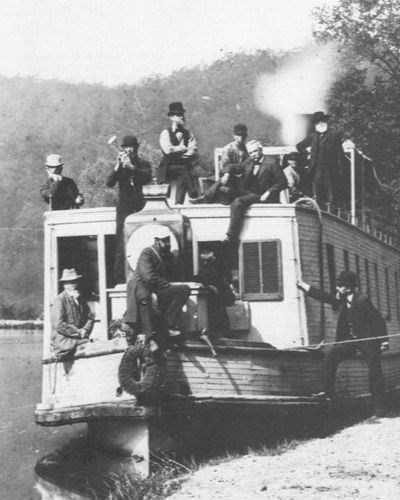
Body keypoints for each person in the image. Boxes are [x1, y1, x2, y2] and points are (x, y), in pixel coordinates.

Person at [297, 270, 388, 417]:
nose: (337, 289)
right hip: (350, 340)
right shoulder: (342, 300)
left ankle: (379, 408)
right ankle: (328, 392)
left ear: (349, 288)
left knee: (374, 369)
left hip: (367, 340)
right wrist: (303, 285)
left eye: (340, 286)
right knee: (331, 356)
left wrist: (384, 341)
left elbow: (377, 320)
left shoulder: (363, 300)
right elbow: (324, 297)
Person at [124, 226, 191, 350]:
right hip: (140, 287)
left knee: (184, 290)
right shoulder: (147, 252)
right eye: (164, 241)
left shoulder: (165, 255)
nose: (168, 244)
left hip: (154, 288)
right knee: (145, 300)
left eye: (168, 241)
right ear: (157, 241)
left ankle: (168, 324)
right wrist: (166, 285)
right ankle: (150, 338)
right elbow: (148, 277)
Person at [106, 135, 152, 284]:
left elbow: (146, 176)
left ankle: (142, 276)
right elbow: (109, 183)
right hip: (124, 208)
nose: (128, 150)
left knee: (142, 239)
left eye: (131, 147)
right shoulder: (121, 164)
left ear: (136, 148)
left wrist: (131, 167)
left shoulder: (143, 164)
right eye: (126, 147)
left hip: (140, 206)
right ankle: (120, 280)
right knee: (120, 244)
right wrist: (118, 166)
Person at [224, 140, 287, 243]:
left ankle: (231, 235)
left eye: (255, 151)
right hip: (249, 193)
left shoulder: (272, 162)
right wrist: (227, 173)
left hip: (262, 196)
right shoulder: (249, 161)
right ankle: (206, 198)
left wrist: (269, 192)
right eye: (251, 153)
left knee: (238, 202)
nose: (253, 155)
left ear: (260, 150)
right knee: (223, 188)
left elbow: (283, 182)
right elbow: (234, 167)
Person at [189, 123, 249, 205]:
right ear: (234, 136)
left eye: (243, 135)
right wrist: (230, 173)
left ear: (246, 136)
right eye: (238, 135)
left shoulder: (247, 149)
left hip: (243, 179)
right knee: (226, 183)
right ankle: (207, 197)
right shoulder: (228, 148)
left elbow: (247, 165)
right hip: (230, 179)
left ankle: (206, 197)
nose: (241, 137)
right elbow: (223, 168)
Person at [296, 111, 345, 206]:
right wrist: (307, 151)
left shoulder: (334, 134)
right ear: (315, 125)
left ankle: (331, 212)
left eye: (322, 121)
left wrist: (340, 170)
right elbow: (299, 146)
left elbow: (340, 154)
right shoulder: (313, 136)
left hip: (330, 168)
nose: (320, 124)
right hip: (316, 168)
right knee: (317, 193)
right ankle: (318, 211)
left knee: (331, 195)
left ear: (326, 122)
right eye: (318, 122)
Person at [159, 102, 198, 204]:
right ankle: (193, 193)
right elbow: (168, 150)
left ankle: (178, 204)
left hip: (182, 166)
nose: (182, 117)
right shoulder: (165, 133)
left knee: (183, 175)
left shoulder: (188, 133)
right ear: (171, 117)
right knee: (184, 169)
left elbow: (193, 149)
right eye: (178, 114)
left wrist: (185, 154)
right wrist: (183, 148)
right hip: (168, 167)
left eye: (182, 114)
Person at [51, 268, 95, 358]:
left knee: (94, 345)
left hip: (78, 338)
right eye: (70, 282)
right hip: (64, 341)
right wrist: (77, 332)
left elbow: (90, 317)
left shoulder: (79, 298)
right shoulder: (60, 300)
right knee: (89, 346)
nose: (74, 285)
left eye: (75, 281)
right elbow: (59, 324)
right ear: (64, 284)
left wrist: (85, 330)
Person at [194, 249, 235, 336]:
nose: (205, 263)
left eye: (208, 260)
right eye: (203, 261)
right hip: (210, 305)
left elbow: (229, 298)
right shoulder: (204, 271)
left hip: (217, 303)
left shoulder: (218, 271)